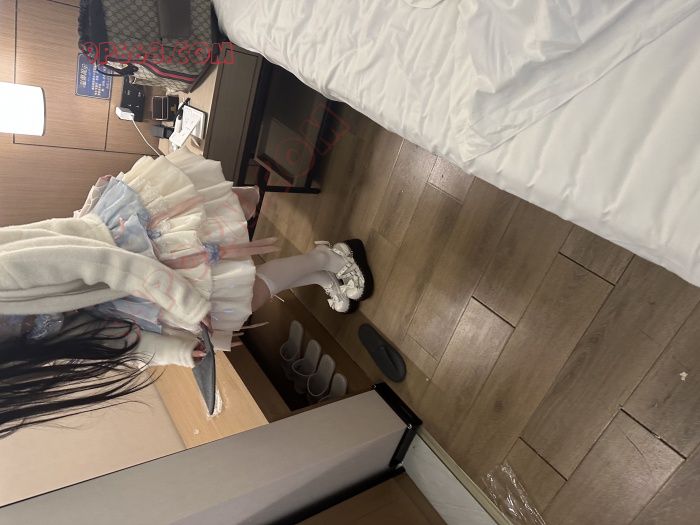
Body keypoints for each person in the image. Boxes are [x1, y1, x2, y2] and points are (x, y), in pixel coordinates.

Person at [0, 149, 372, 437]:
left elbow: (99, 262)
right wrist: (173, 351)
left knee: (236, 224)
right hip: (118, 296)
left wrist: (186, 304)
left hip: (122, 251)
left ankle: (330, 258)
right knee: (240, 299)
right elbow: (92, 338)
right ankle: (321, 270)